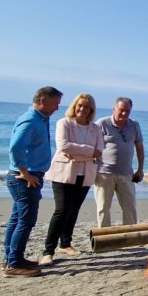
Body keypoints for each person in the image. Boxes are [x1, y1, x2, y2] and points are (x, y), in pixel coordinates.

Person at [3, 86, 62, 277]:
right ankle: (13, 263)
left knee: (17, 219)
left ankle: (11, 257)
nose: (57, 108)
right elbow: (15, 147)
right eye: (55, 103)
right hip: (25, 178)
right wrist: (25, 172)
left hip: (26, 176)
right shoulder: (30, 120)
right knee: (25, 222)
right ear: (43, 101)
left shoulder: (40, 120)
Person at [40, 93, 104, 265]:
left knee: (74, 209)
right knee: (61, 210)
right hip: (63, 173)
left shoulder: (95, 128)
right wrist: (89, 152)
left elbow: (99, 150)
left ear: (91, 110)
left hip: (85, 174)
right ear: (75, 106)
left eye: (86, 107)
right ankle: (48, 251)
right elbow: (64, 146)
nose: (82, 109)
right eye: (80, 105)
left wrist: (78, 153)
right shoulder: (64, 123)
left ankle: (66, 243)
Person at [95, 97, 145, 227]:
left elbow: (139, 147)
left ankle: (130, 236)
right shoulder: (101, 123)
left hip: (127, 174)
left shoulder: (134, 125)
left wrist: (140, 169)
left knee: (130, 207)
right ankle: (104, 238)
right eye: (121, 110)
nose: (124, 113)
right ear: (114, 109)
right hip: (104, 174)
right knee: (103, 208)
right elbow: (92, 147)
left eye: (127, 111)